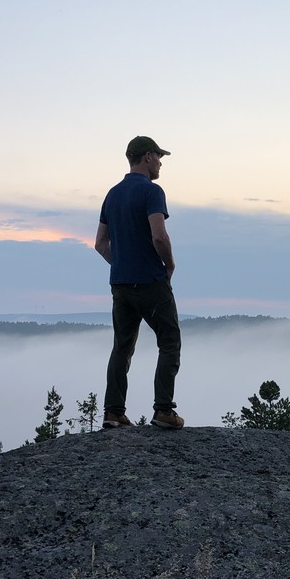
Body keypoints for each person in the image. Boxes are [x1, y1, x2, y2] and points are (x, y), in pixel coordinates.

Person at [94, 136, 184, 430]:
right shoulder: (152, 191)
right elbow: (159, 235)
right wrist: (168, 265)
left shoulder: (112, 194)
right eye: (159, 157)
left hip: (120, 284)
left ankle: (113, 412)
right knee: (169, 341)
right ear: (147, 157)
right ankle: (163, 411)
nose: (160, 164)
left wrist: (121, 265)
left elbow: (100, 243)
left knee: (122, 347)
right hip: (150, 281)